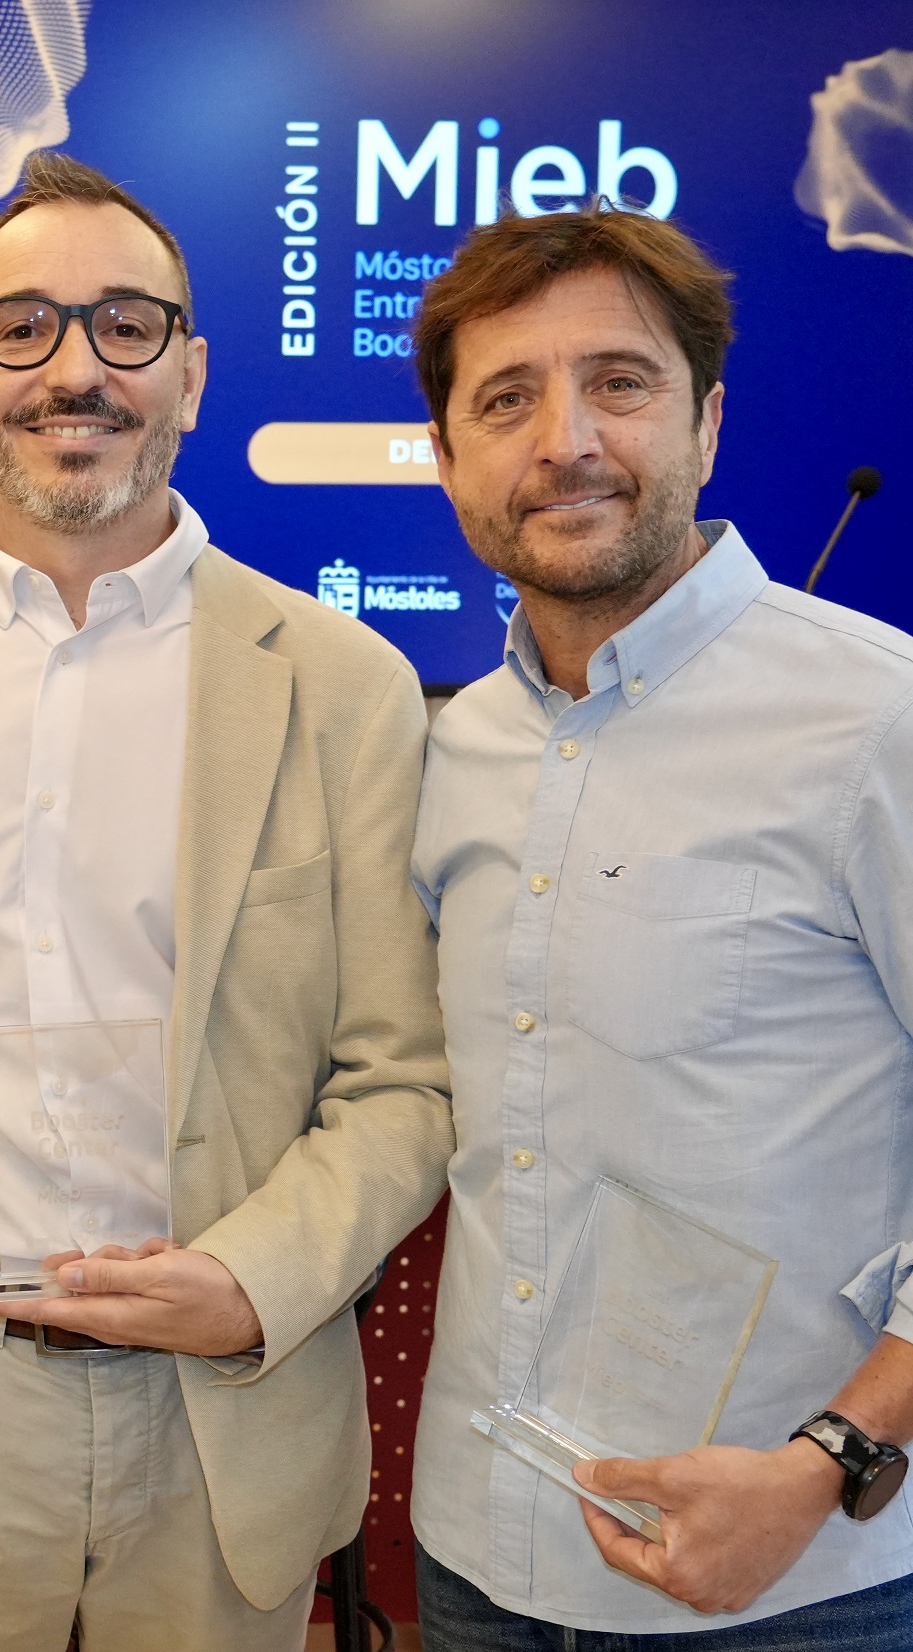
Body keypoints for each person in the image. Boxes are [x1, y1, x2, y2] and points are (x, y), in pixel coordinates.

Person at [0, 150, 454, 1652]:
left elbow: (404, 1080)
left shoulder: (345, 687)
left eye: (126, 327)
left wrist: (251, 1282)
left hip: (225, 1407)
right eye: (21, 327)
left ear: (191, 375)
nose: (74, 371)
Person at [409, 207, 913, 1648]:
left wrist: (834, 1456)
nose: (564, 440)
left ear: (706, 418)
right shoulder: (453, 750)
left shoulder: (877, 719)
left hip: (794, 1581)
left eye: (618, 383)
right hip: (479, 1558)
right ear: (447, 456)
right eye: (505, 399)